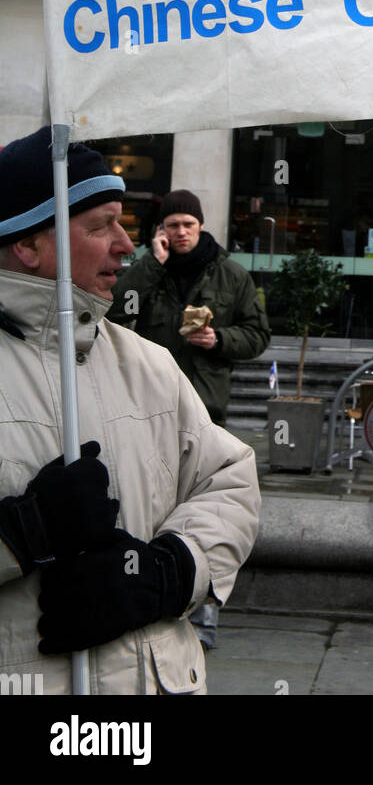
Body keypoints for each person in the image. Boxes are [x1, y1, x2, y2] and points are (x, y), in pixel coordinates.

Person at [0, 127, 260, 694]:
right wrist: (23, 533)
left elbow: (229, 480)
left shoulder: (147, 364)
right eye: (100, 226)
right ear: (29, 245)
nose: (126, 243)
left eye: (123, 222)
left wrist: (169, 573)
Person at [107, 188, 269, 648]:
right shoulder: (149, 272)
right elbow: (115, 308)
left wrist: (220, 340)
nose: (180, 233)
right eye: (171, 225)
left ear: (201, 227)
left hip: (207, 408)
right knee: (154, 505)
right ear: (161, 230)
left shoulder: (231, 274)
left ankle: (205, 615)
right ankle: (151, 595)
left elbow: (258, 335)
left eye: (187, 225)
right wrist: (149, 265)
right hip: (149, 406)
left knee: (206, 507)